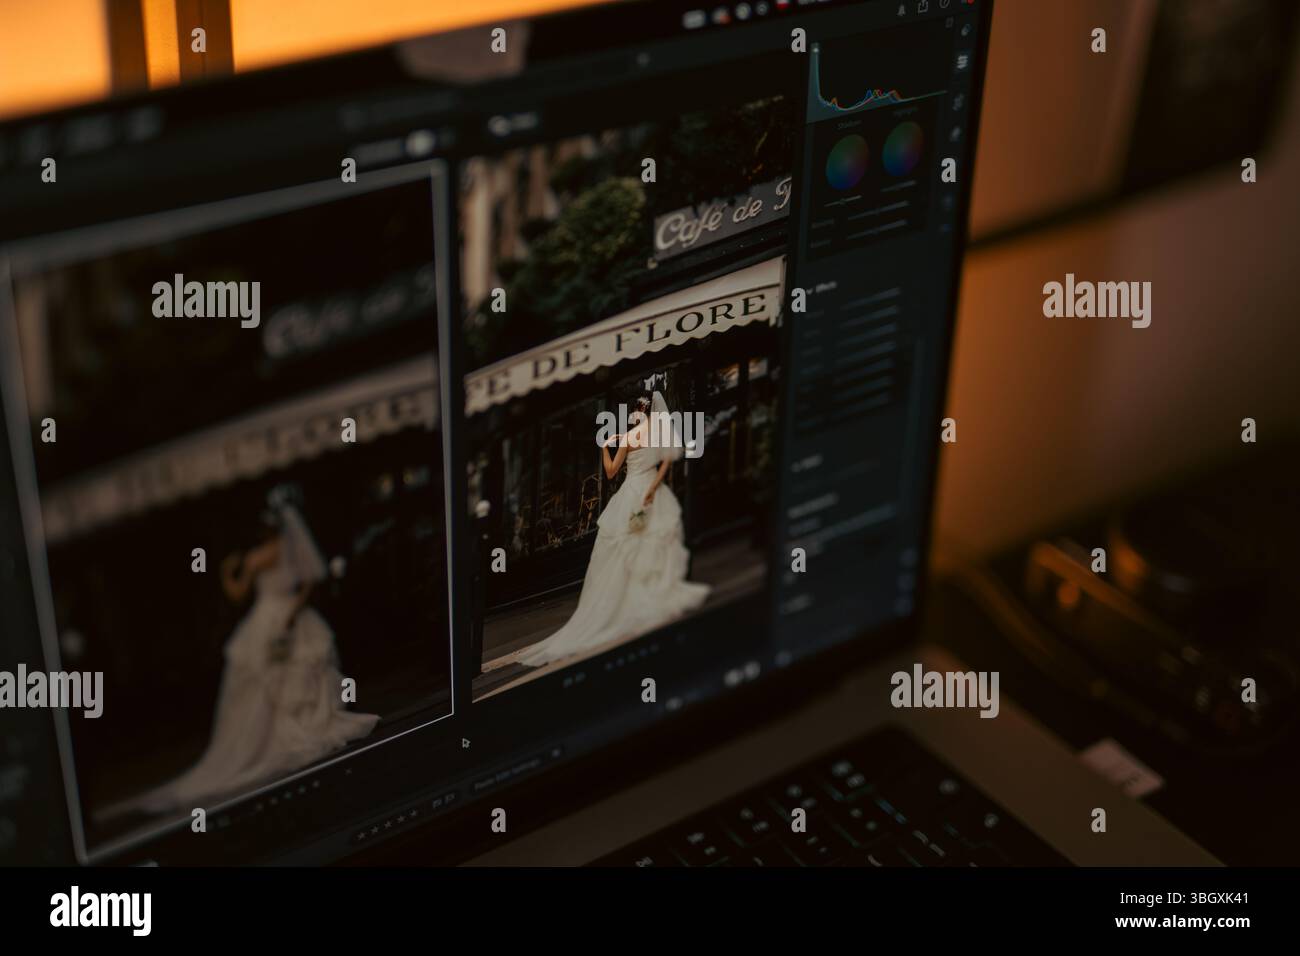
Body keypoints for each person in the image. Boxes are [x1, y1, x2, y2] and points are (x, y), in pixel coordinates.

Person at [110, 486, 378, 815]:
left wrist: (226, 572)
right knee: (297, 675)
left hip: (267, 617)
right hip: (292, 613)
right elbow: (310, 581)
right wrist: (294, 610)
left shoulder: (256, 557)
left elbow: (237, 594)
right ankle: (305, 727)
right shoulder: (293, 549)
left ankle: (268, 741)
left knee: (265, 685)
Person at [495, 391, 710, 670]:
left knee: (622, 554)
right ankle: (649, 598)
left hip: (630, 493)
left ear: (636, 412)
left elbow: (610, 472)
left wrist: (605, 446)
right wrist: (652, 490)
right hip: (650, 493)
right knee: (651, 546)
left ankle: (622, 605)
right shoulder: (656, 433)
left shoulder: (630, 438)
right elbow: (667, 463)